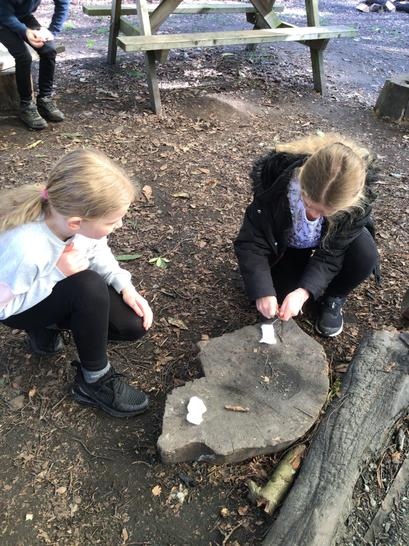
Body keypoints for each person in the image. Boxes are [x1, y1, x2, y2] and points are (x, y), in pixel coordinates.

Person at [0, 149, 153, 418]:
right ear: (76, 222)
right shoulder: (27, 249)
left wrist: (124, 285)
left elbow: (96, 249)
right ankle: (94, 379)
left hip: (46, 289)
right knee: (88, 286)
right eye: (112, 221)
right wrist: (57, 273)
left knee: (131, 324)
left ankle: (49, 326)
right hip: (16, 308)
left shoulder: (71, 219)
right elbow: (3, 308)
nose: (119, 225)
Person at [234, 133, 379, 337]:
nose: (313, 215)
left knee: (365, 254)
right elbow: (253, 241)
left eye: (326, 212)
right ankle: (297, 275)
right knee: (278, 294)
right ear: (301, 181)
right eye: (308, 203)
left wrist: (304, 292)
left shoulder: (356, 205)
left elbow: (331, 254)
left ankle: (334, 296)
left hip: (327, 242)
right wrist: (262, 290)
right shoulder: (276, 182)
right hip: (288, 243)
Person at [0, 0, 70, 130]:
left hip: (23, 16)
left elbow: (63, 3)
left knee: (49, 50)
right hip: (2, 18)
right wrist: (25, 31)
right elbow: (4, 14)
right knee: (23, 57)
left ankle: (45, 99)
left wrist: (52, 32)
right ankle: (26, 106)